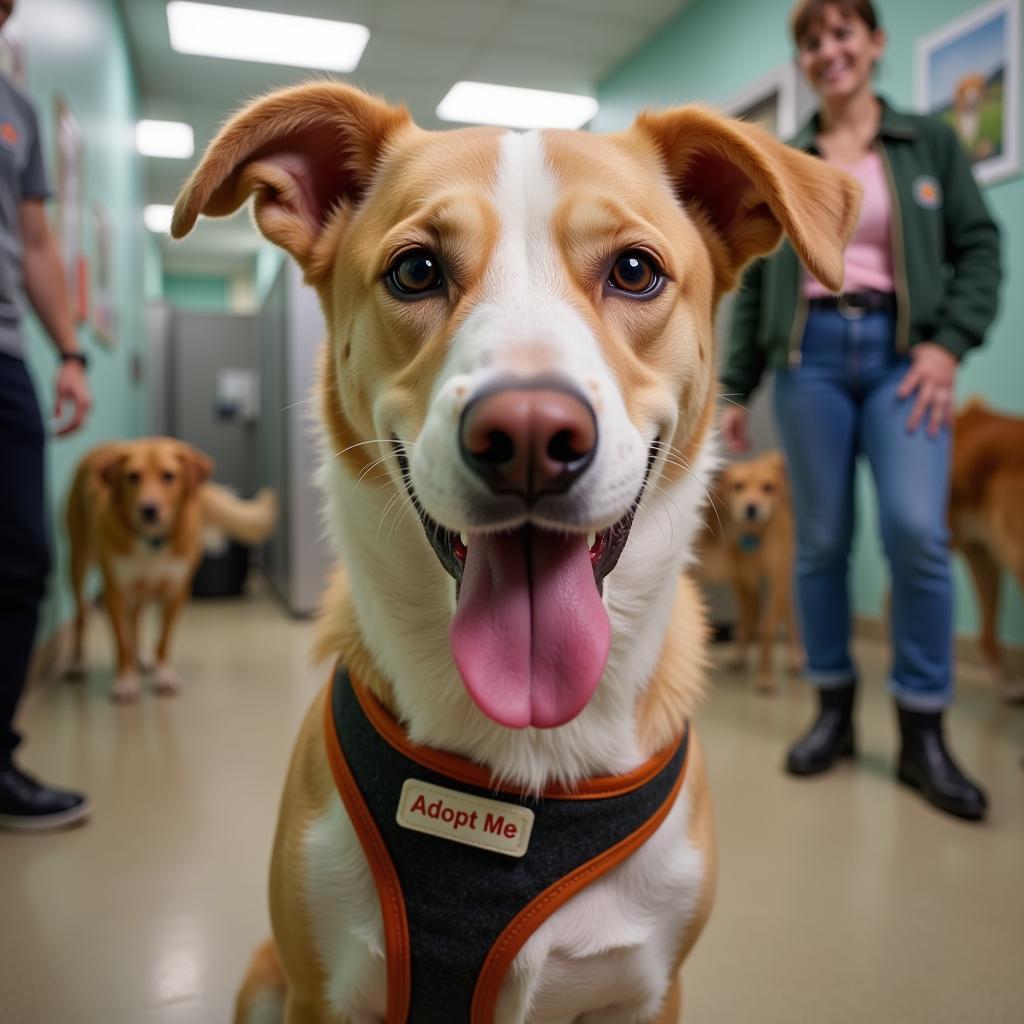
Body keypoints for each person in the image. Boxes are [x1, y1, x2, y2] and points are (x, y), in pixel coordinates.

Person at [720, 0, 1000, 821]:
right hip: (807, 360)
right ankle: (833, 710)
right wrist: (736, 385)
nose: (826, 50)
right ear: (803, 59)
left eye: (842, 33)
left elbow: (978, 248)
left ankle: (922, 731)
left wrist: (947, 345)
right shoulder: (787, 156)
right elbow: (758, 276)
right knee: (819, 542)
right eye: (810, 40)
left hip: (901, 359)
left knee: (917, 529)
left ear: (875, 44)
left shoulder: (928, 143)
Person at [0, 0, 93, 829]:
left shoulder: (18, 112)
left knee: (24, 559)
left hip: (4, 355)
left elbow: (33, 243)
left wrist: (69, 352)